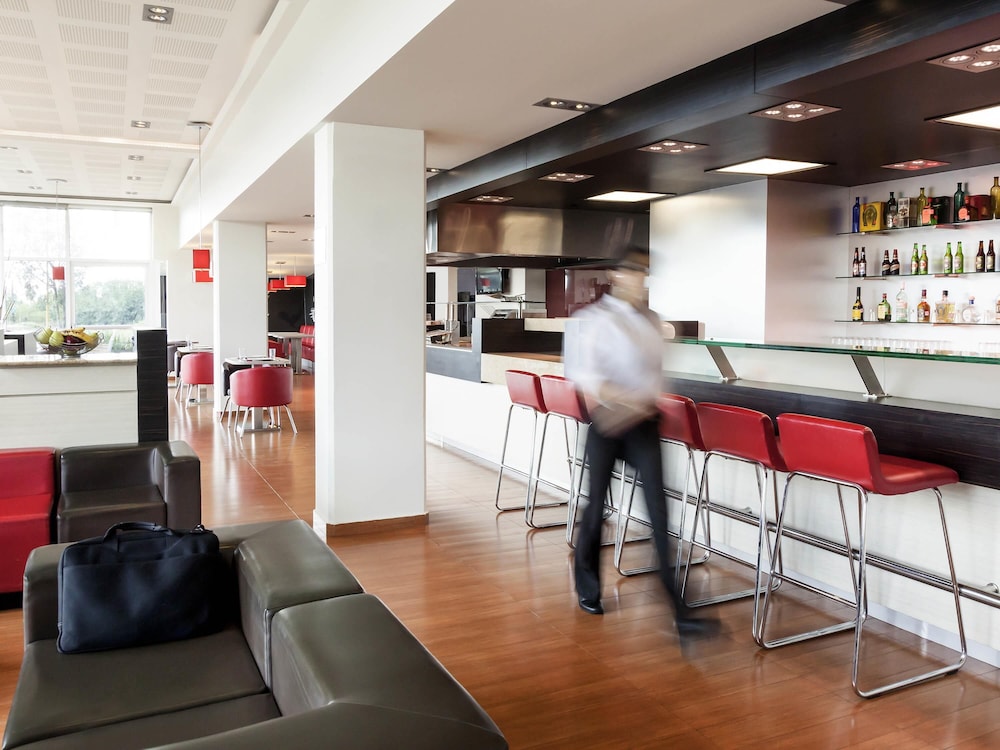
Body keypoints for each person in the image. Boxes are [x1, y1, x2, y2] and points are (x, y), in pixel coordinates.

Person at [565, 244, 717, 635]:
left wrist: (650, 400)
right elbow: (586, 378)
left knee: (659, 513)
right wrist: (629, 398)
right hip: (607, 424)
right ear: (615, 274)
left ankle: (681, 612)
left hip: (644, 425)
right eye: (633, 271)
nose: (640, 279)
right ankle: (588, 589)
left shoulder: (652, 321)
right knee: (596, 507)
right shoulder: (590, 321)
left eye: (644, 272)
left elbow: (655, 375)